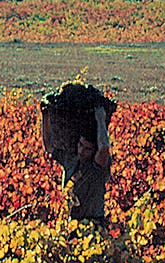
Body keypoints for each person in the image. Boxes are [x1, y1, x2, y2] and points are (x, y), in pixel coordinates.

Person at [40, 82, 116, 226]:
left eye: (86, 148)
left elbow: (104, 147)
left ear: (94, 150)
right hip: (70, 224)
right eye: (80, 145)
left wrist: (100, 119)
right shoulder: (71, 158)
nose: (81, 150)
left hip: (94, 225)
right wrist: (45, 116)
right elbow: (49, 146)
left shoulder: (98, 168)